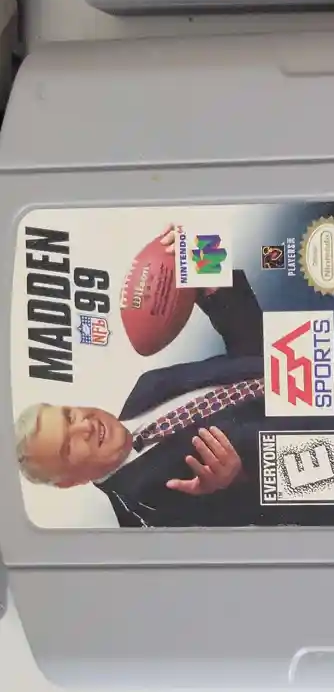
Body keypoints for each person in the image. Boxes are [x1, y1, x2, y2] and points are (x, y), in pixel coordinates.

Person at [15, 226, 276, 528]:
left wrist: (202, 261)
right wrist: (238, 482)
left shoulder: (148, 387)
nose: (85, 427)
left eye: (70, 417)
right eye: (68, 447)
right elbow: (267, 532)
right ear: (68, 482)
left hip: (322, 362)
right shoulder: (143, 519)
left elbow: (254, 354)